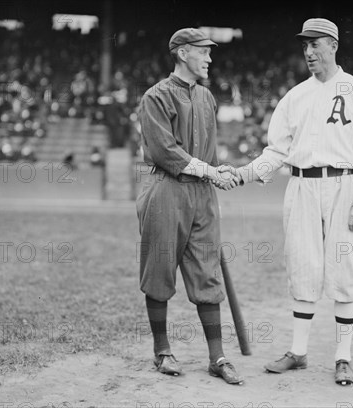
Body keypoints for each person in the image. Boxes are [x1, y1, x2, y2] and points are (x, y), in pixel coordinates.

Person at [234, 18, 353, 386]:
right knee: (302, 265)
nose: (309, 52)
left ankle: (343, 357)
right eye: (305, 46)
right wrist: (244, 173)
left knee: (344, 268)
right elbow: (276, 151)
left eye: (315, 44)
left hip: (345, 186)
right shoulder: (295, 96)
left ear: (333, 45)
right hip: (301, 186)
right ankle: (298, 352)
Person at [136, 27, 243, 385]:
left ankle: (217, 357)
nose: (209, 59)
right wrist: (210, 170)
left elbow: (207, 152)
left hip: (202, 194)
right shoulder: (156, 97)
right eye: (204, 52)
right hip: (166, 189)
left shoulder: (207, 97)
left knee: (207, 275)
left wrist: (218, 170)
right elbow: (167, 153)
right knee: (159, 270)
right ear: (183, 53)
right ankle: (162, 350)